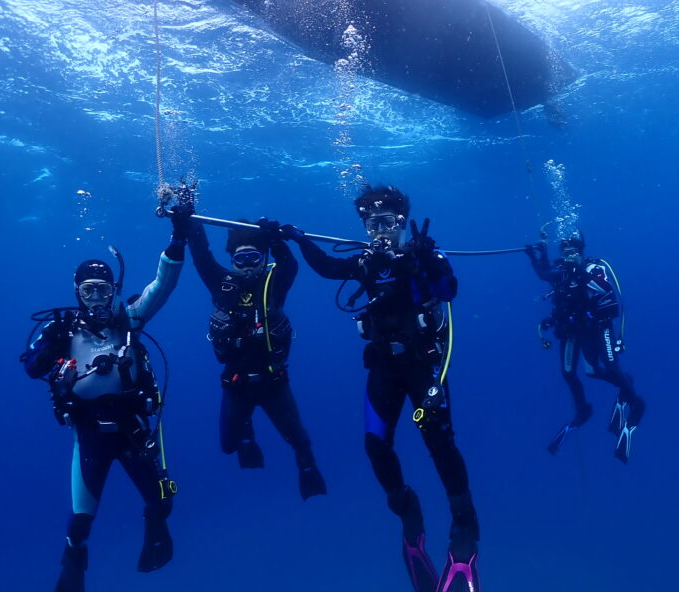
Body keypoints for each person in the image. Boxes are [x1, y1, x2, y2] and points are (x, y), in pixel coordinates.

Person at [281, 185, 480, 592]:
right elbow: (327, 268)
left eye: (387, 222)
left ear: (402, 222)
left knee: (439, 442)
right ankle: (405, 506)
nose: (380, 231)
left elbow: (449, 291)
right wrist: (298, 240)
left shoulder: (425, 255)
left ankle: (464, 520)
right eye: (372, 224)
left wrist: (426, 259)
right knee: (375, 445)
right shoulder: (366, 263)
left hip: (423, 365)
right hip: (384, 367)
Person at [21, 209, 189, 592]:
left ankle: (155, 535)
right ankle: (73, 563)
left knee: (162, 500)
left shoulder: (128, 320)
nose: (96, 297)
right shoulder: (61, 328)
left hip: (131, 430)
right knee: (81, 520)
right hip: (90, 435)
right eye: (88, 290)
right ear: (77, 292)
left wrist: (178, 239)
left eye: (103, 289)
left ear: (114, 290)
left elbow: (162, 285)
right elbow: (31, 366)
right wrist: (47, 354)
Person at [185, 212, 326, 499]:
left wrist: (275, 240)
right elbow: (201, 256)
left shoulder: (274, 283)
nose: (248, 266)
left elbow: (289, 265)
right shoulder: (221, 283)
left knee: (300, 441)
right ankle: (247, 431)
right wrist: (190, 220)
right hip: (236, 384)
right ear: (231, 261)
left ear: (263, 258)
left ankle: (308, 469)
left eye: (253, 258)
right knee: (229, 446)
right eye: (241, 259)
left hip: (274, 382)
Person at [525, 234, 645, 462]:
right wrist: (535, 255)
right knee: (572, 372)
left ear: (581, 253)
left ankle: (636, 403)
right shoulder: (561, 272)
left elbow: (604, 289)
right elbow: (544, 274)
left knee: (611, 367)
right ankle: (583, 409)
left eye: (573, 252)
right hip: (575, 330)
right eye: (566, 252)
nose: (569, 255)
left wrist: (579, 270)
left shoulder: (594, 268)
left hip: (599, 326)